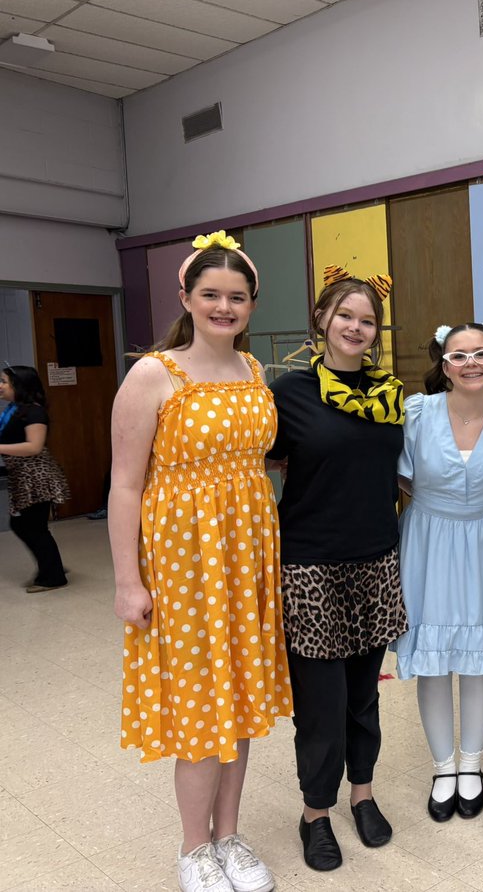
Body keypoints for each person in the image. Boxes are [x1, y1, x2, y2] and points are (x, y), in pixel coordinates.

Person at [110, 230, 291, 892]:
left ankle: (231, 836)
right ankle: (195, 848)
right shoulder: (155, 373)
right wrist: (129, 581)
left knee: (238, 705)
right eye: (210, 294)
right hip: (184, 564)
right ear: (186, 297)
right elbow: (124, 484)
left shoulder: (254, 372)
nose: (223, 306)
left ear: (252, 303)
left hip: (247, 559)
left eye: (236, 296)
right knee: (199, 709)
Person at [267, 266, 406, 871]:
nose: (356, 326)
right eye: (345, 315)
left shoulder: (392, 397)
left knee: (363, 697)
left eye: (367, 319)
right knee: (319, 703)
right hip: (310, 566)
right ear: (321, 321)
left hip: (376, 559)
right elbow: (256, 471)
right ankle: (315, 812)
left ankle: (363, 794)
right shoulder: (289, 394)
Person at [393, 320, 483, 823]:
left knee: (477, 658)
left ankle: (472, 764)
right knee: (432, 660)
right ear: (444, 365)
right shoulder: (415, 413)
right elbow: (396, 475)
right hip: (427, 541)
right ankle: (443, 766)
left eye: (482, 353)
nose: (471, 363)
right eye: (459, 355)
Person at [0, 365, 70, 592]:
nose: (0, 386)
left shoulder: (34, 411)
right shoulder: (15, 409)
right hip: (22, 477)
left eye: (4, 382)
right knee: (26, 524)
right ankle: (50, 566)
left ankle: (53, 575)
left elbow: (34, 446)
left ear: (19, 385)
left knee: (30, 526)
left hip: (36, 478)